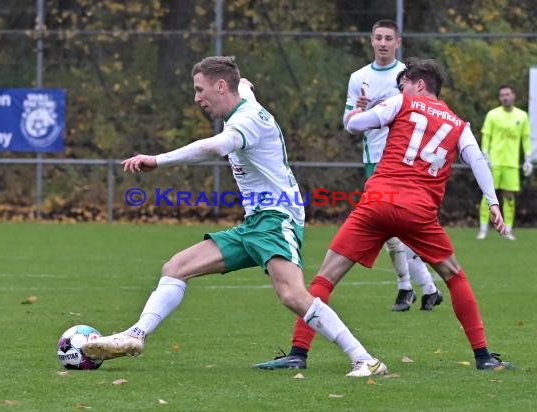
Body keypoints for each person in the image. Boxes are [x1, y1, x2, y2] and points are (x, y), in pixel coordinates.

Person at [81, 56, 388, 378]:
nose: (197, 98)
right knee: (176, 267)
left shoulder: (248, 119)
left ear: (220, 86)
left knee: (293, 295)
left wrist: (157, 160)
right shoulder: (242, 98)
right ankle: (136, 335)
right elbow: (246, 85)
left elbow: (216, 147)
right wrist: (241, 79)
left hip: (276, 217)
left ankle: (364, 359)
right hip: (255, 222)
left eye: (201, 90)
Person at [254, 58, 512, 372]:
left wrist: (357, 110)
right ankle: (484, 357)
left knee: (324, 278)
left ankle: (298, 352)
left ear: (418, 84)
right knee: (454, 276)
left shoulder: (403, 101)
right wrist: (493, 202)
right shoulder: (459, 124)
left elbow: (354, 125)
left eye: (403, 84)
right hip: (418, 210)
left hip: (378, 200)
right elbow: (477, 161)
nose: (400, 89)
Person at [344, 19, 442, 312]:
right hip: (374, 161)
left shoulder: (409, 78)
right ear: (371, 41)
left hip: (404, 163)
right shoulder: (358, 77)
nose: (383, 42)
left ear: (397, 42)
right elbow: (348, 122)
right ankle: (420, 289)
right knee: (390, 232)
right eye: (379, 37)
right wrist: (361, 109)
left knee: (398, 228)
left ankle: (414, 288)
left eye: (389, 38)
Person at [477, 84, 532, 241]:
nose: (505, 97)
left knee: (509, 197)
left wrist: (528, 158)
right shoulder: (492, 115)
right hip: (493, 162)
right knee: (487, 196)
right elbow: (486, 136)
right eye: (502, 95)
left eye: (507, 94)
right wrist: (485, 155)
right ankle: (483, 229)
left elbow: (526, 138)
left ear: (513, 96)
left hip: (511, 163)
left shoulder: (522, 116)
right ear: (500, 98)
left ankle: (508, 229)